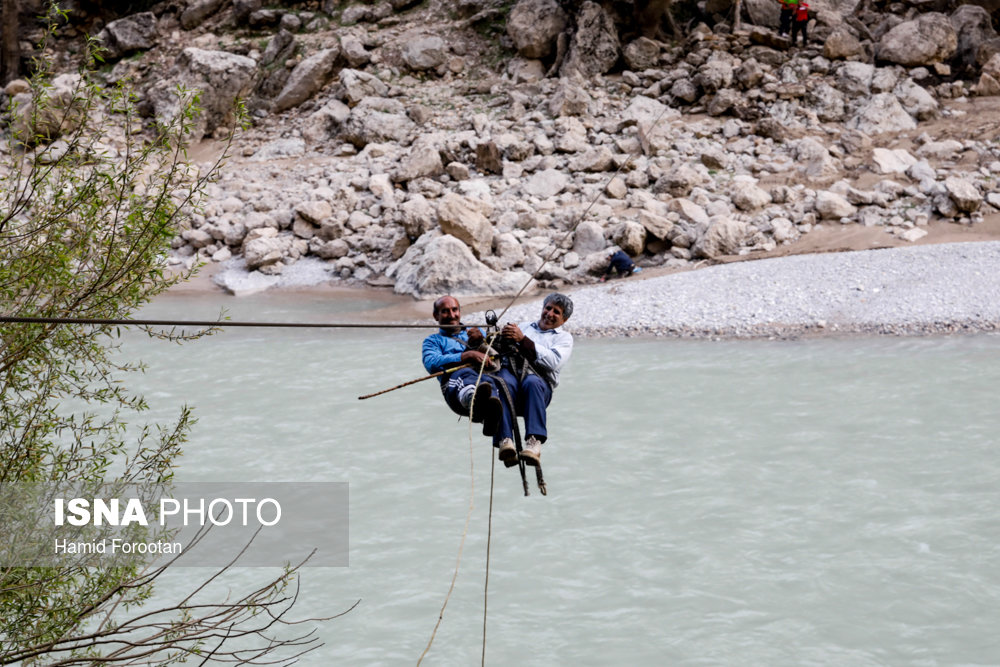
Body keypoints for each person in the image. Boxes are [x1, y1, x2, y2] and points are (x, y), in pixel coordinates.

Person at [494, 293, 574, 467]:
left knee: (531, 381)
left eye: (557, 312)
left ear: (564, 319)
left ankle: (534, 441)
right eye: (548, 308)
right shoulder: (524, 327)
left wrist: (522, 340)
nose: (550, 314)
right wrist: (501, 337)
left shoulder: (564, 339)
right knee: (501, 381)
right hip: (513, 381)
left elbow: (553, 362)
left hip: (538, 388)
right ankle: (505, 440)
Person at [421, 296, 508, 438]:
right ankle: (473, 401)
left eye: (454, 310)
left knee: (490, 382)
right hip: (454, 387)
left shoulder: (476, 332)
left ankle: (494, 423)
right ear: (436, 316)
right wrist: (467, 355)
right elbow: (432, 363)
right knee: (464, 374)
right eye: (445, 311)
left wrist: (481, 341)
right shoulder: (433, 341)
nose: (451, 315)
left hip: (483, 380)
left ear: (460, 311)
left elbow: (495, 353)